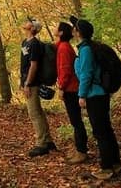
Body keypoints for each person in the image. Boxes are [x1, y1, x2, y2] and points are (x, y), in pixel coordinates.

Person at [74, 18, 121, 179]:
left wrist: (81, 95)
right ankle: (116, 165)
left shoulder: (86, 50)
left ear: (79, 32)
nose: (73, 31)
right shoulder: (90, 47)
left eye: (75, 28)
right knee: (106, 130)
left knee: (100, 132)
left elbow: (86, 74)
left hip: (94, 95)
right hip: (100, 93)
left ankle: (107, 168)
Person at [20, 18, 56, 157]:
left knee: (34, 113)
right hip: (27, 81)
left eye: (30, 22)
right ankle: (48, 140)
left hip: (33, 83)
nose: (27, 22)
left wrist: (28, 83)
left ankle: (41, 144)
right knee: (38, 112)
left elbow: (34, 65)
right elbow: (24, 65)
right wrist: (22, 82)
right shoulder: (25, 42)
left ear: (33, 28)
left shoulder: (35, 44)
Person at [56, 21, 89, 164]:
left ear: (61, 32)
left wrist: (61, 88)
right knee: (75, 121)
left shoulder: (64, 48)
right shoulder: (63, 46)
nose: (54, 30)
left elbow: (65, 70)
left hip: (71, 89)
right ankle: (79, 149)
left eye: (56, 28)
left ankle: (81, 152)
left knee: (76, 121)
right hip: (72, 88)